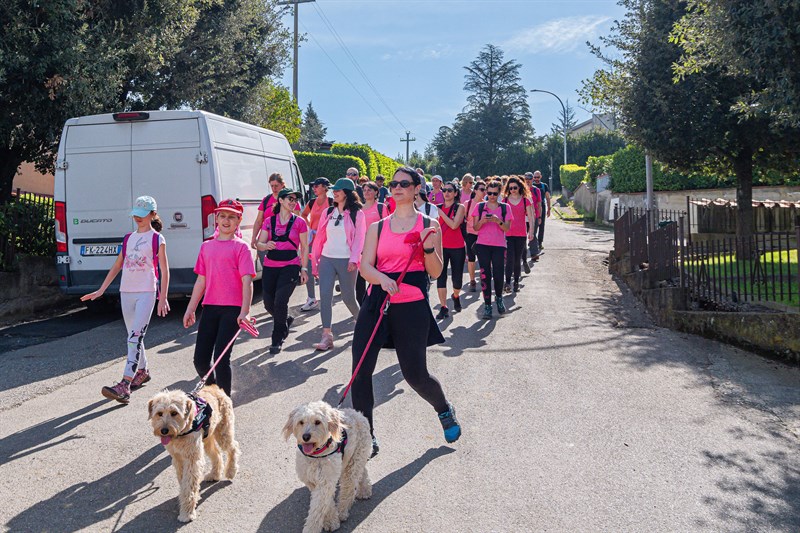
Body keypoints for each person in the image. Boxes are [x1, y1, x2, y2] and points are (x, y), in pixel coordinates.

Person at [351, 166, 461, 458]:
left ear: (415, 188)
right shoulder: (378, 227)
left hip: (411, 307)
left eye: (404, 183)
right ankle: (366, 437)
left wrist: (427, 249)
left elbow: (436, 272)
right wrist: (382, 279)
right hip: (377, 302)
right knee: (360, 372)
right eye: (393, 183)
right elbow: (365, 266)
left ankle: (444, 409)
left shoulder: (428, 223)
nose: (397, 187)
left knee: (416, 375)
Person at [83, 195, 170, 404]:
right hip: (126, 292)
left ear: (152, 214)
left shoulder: (157, 238)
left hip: (146, 292)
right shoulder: (128, 238)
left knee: (134, 337)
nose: (138, 219)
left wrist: (163, 297)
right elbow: (117, 266)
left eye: (142, 215)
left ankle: (124, 385)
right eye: (136, 215)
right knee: (133, 336)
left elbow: (164, 270)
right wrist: (101, 290)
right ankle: (142, 370)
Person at [184, 199, 254, 397]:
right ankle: (214, 392)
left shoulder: (241, 248)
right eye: (222, 216)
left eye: (231, 217)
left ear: (238, 221)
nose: (226, 220)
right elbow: (201, 281)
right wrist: (190, 308)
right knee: (200, 360)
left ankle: (225, 404)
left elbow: (247, 281)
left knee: (221, 359)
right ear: (216, 219)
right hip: (210, 308)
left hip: (233, 310)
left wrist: (245, 312)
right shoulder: (206, 247)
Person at [310, 177, 366, 350]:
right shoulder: (328, 212)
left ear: (347, 193)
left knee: (348, 297)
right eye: (333, 190)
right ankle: (327, 336)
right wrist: (316, 259)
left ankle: (363, 323)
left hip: (346, 260)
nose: (333, 193)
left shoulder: (358, 213)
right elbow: (320, 237)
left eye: (337, 190)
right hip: (327, 258)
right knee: (325, 296)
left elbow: (359, 239)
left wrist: (354, 259)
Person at [257, 188, 309, 354]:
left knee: (280, 302)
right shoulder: (269, 221)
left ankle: (277, 338)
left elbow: (305, 247)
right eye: (290, 199)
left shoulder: (300, 222)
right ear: (280, 200)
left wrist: (304, 269)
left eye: (295, 200)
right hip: (271, 266)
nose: (293, 202)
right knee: (268, 303)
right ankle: (285, 319)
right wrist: (265, 246)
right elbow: (259, 243)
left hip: (290, 266)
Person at [472, 180, 512, 319]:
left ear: (499, 193)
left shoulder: (505, 207)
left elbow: (507, 228)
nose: (492, 196)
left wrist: (497, 221)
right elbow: (475, 228)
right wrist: (483, 221)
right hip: (483, 244)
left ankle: (499, 298)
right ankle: (487, 305)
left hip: (499, 245)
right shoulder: (479, 206)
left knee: (499, 274)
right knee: (485, 275)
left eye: (495, 193)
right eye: (489, 193)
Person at [299, 177, 333, 311]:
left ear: (325, 187)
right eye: (313, 186)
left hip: (327, 240)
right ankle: (311, 298)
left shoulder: (331, 202)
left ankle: (326, 297)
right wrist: (311, 228)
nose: (314, 188)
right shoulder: (312, 202)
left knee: (325, 269)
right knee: (307, 266)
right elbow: (304, 215)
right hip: (313, 239)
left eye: (317, 186)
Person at [435, 180, 466, 318]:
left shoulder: (460, 207)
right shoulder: (436, 208)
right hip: (440, 247)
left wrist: (441, 214)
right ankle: (443, 306)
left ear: (455, 193)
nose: (446, 193)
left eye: (449, 190)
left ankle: (456, 295)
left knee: (457, 279)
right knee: (440, 277)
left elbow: (454, 225)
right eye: (444, 190)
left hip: (457, 246)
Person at [502, 176, 538, 293]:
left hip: (521, 233)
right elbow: (501, 216)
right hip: (508, 233)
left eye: (515, 187)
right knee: (509, 258)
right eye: (510, 187)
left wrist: (531, 231)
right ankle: (507, 282)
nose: (512, 190)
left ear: (520, 187)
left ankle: (516, 282)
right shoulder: (505, 200)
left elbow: (531, 217)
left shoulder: (525, 200)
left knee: (517, 259)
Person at [357, 181, 391, 303]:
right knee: (360, 278)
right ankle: (361, 307)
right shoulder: (358, 208)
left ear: (376, 192)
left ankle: (378, 302)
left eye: (369, 190)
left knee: (376, 276)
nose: (366, 192)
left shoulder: (381, 207)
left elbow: (387, 228)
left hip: (377, 247)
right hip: (360, 247)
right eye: (364, 190)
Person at [251, 173, 299, 254]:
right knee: (266, 265)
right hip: (265, 241)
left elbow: (297, 222)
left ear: (282, 185)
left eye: (276, 185)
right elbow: (259, 221)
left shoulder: (291, 201)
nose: (274, 188)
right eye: (272, 186)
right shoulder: (266, 200)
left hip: (285, 242)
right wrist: (254, 237)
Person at [463, 180, 486, 291]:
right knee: (471, 258)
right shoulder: (467, 204)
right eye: (482, 189)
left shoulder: (486, 204)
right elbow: (462, 219)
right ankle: (472, 280)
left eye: (485, 189)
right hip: (470, 233)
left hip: (483, 234)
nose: (484, 192)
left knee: (484, 257)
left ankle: (483, 278)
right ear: (475, 190)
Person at [523, 172, 543, 264]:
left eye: (530, 179)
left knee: (533, 234)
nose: (528, 181)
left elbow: (539, 204)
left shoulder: (536, 190)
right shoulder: (521, 190)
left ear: (532, 180)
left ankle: (534, 254)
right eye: (526, 179)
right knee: (522, 235)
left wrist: (539, 217)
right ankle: (521, 254)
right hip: (522, 217)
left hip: (533, 216)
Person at [532, 170, 551, 249]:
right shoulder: (531, 186)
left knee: (541, 225)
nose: (536, 179)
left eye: (538, 177)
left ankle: (539, 243)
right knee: (533, 225)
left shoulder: (544, 186)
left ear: (541, 177)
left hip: (542, 206)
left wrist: (549, 209)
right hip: (532, 207)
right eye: (535, 177)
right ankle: (533, 242)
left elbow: (547, 197)